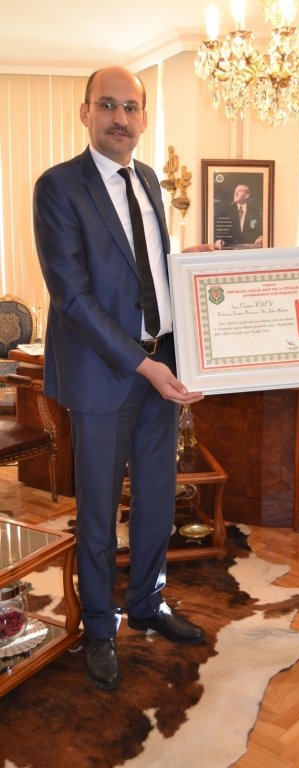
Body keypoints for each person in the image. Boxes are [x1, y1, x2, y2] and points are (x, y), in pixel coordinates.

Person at [33, 66, 212, 691]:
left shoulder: (150, 181)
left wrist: (188, 268)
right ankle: (99, 628)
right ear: (85, 113)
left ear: (144, 117)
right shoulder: (58, 186)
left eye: (131, 107)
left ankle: (146, 603)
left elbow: (145, 273)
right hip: (105, 374)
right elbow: (73, 297)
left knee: (157, 503)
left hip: (160, 366)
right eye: (107, 105)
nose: (120, 118)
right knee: (99, 511)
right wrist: (144, 366)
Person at [214, 183, 263, 248]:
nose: (235, 194)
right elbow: (219, 230)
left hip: (248, 249)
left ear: (247, 195)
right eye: (235, 191)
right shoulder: (226, 210)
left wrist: (260, 238)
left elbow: (258, 233)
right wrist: (218, 239)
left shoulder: (254, 212)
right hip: (229, 248)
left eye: (240, 191)